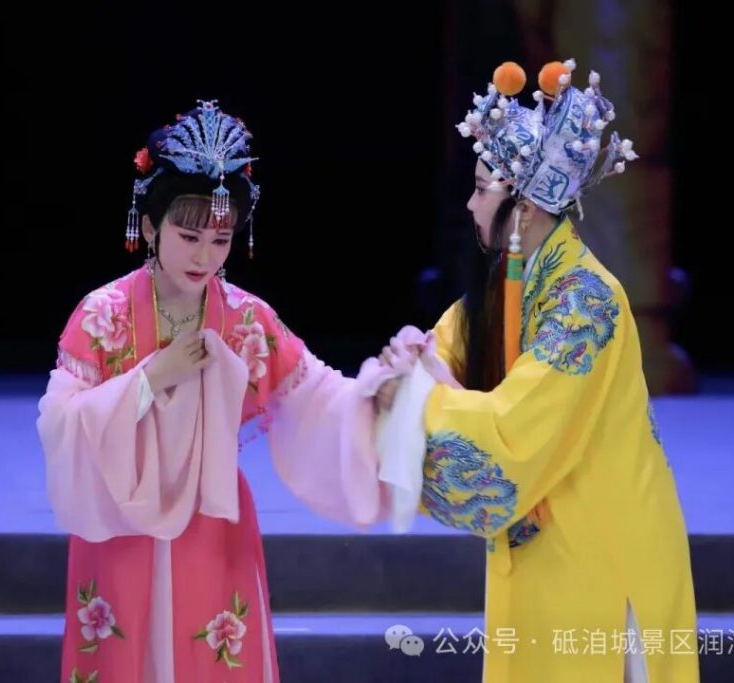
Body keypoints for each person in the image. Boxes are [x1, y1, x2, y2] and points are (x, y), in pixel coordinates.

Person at [36, 100, 396, 683]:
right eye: (188, 236)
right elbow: (60, 422)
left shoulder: (247, 319)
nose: (205, 256)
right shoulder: (102, 314)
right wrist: (150, 378)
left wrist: (378, 394)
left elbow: (316, 395)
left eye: (221, 239)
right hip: (118, 519)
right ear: (149, 227)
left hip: (211, 515)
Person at [375, 59, 699, 682]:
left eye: (482, 190)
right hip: (549, 542)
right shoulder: (511, 284)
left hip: (602, 547)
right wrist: (414, 362)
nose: (470, 204)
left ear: (523, 210)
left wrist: (423, 390)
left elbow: (513, 431)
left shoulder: (586, 303)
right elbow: (444, 347)